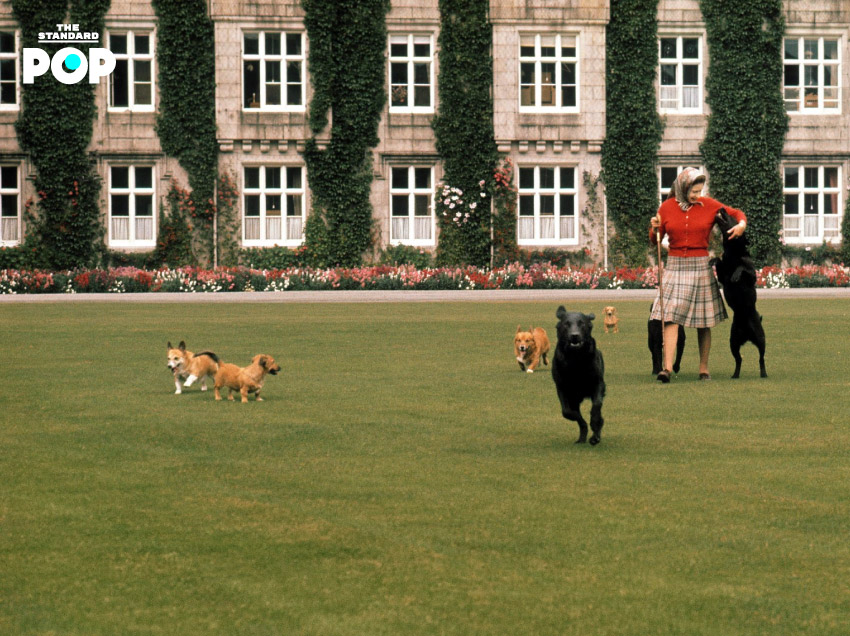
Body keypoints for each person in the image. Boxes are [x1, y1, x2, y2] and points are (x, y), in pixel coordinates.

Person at [649, 167, 747, 383]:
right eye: (693, 191)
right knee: (670, 318)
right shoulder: (666, 207)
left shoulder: (709, 205)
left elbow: (735, 213)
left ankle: (704, 369)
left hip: (700, 266)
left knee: (703, 321)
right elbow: (655, 238)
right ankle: (666, 369)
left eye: (700, 191)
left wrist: (741, 224)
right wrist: (654, 228)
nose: (697, 195)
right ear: (683, 188)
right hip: (675, 266)